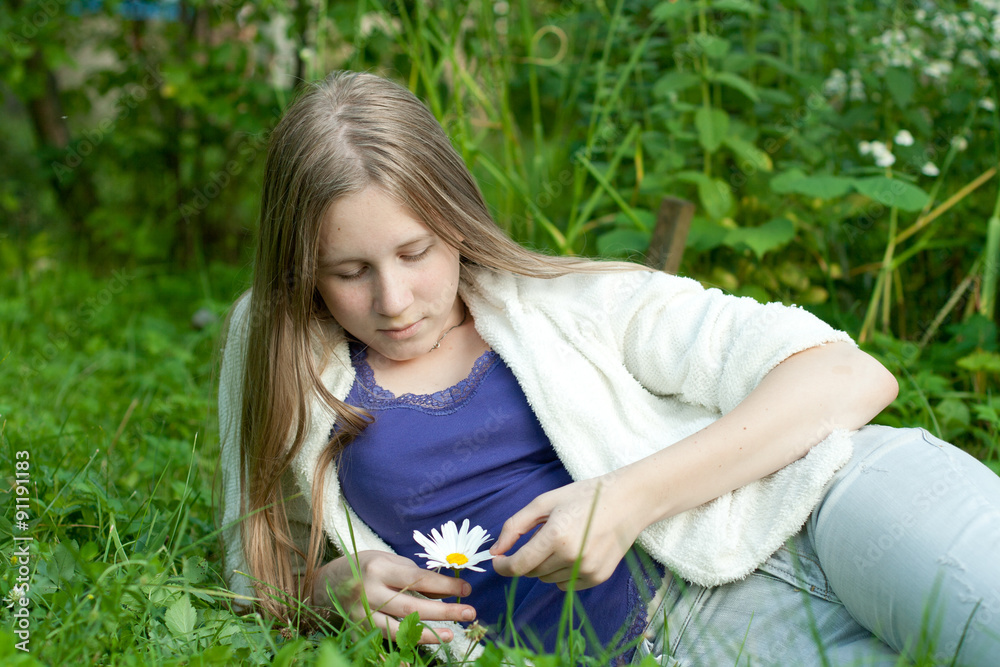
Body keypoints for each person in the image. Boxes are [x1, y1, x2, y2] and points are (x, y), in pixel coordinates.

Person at [218, 70, 1000, 665]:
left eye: (416, 252)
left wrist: (624, 500)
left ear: (456, 220)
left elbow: (849, 374)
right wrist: (329, 591)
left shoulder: (570, 300)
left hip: (837, 504)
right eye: (348, 271)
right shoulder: (282, 346)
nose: (393, 299)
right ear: (302, 270)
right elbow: (261, 557)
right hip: (693, 637)